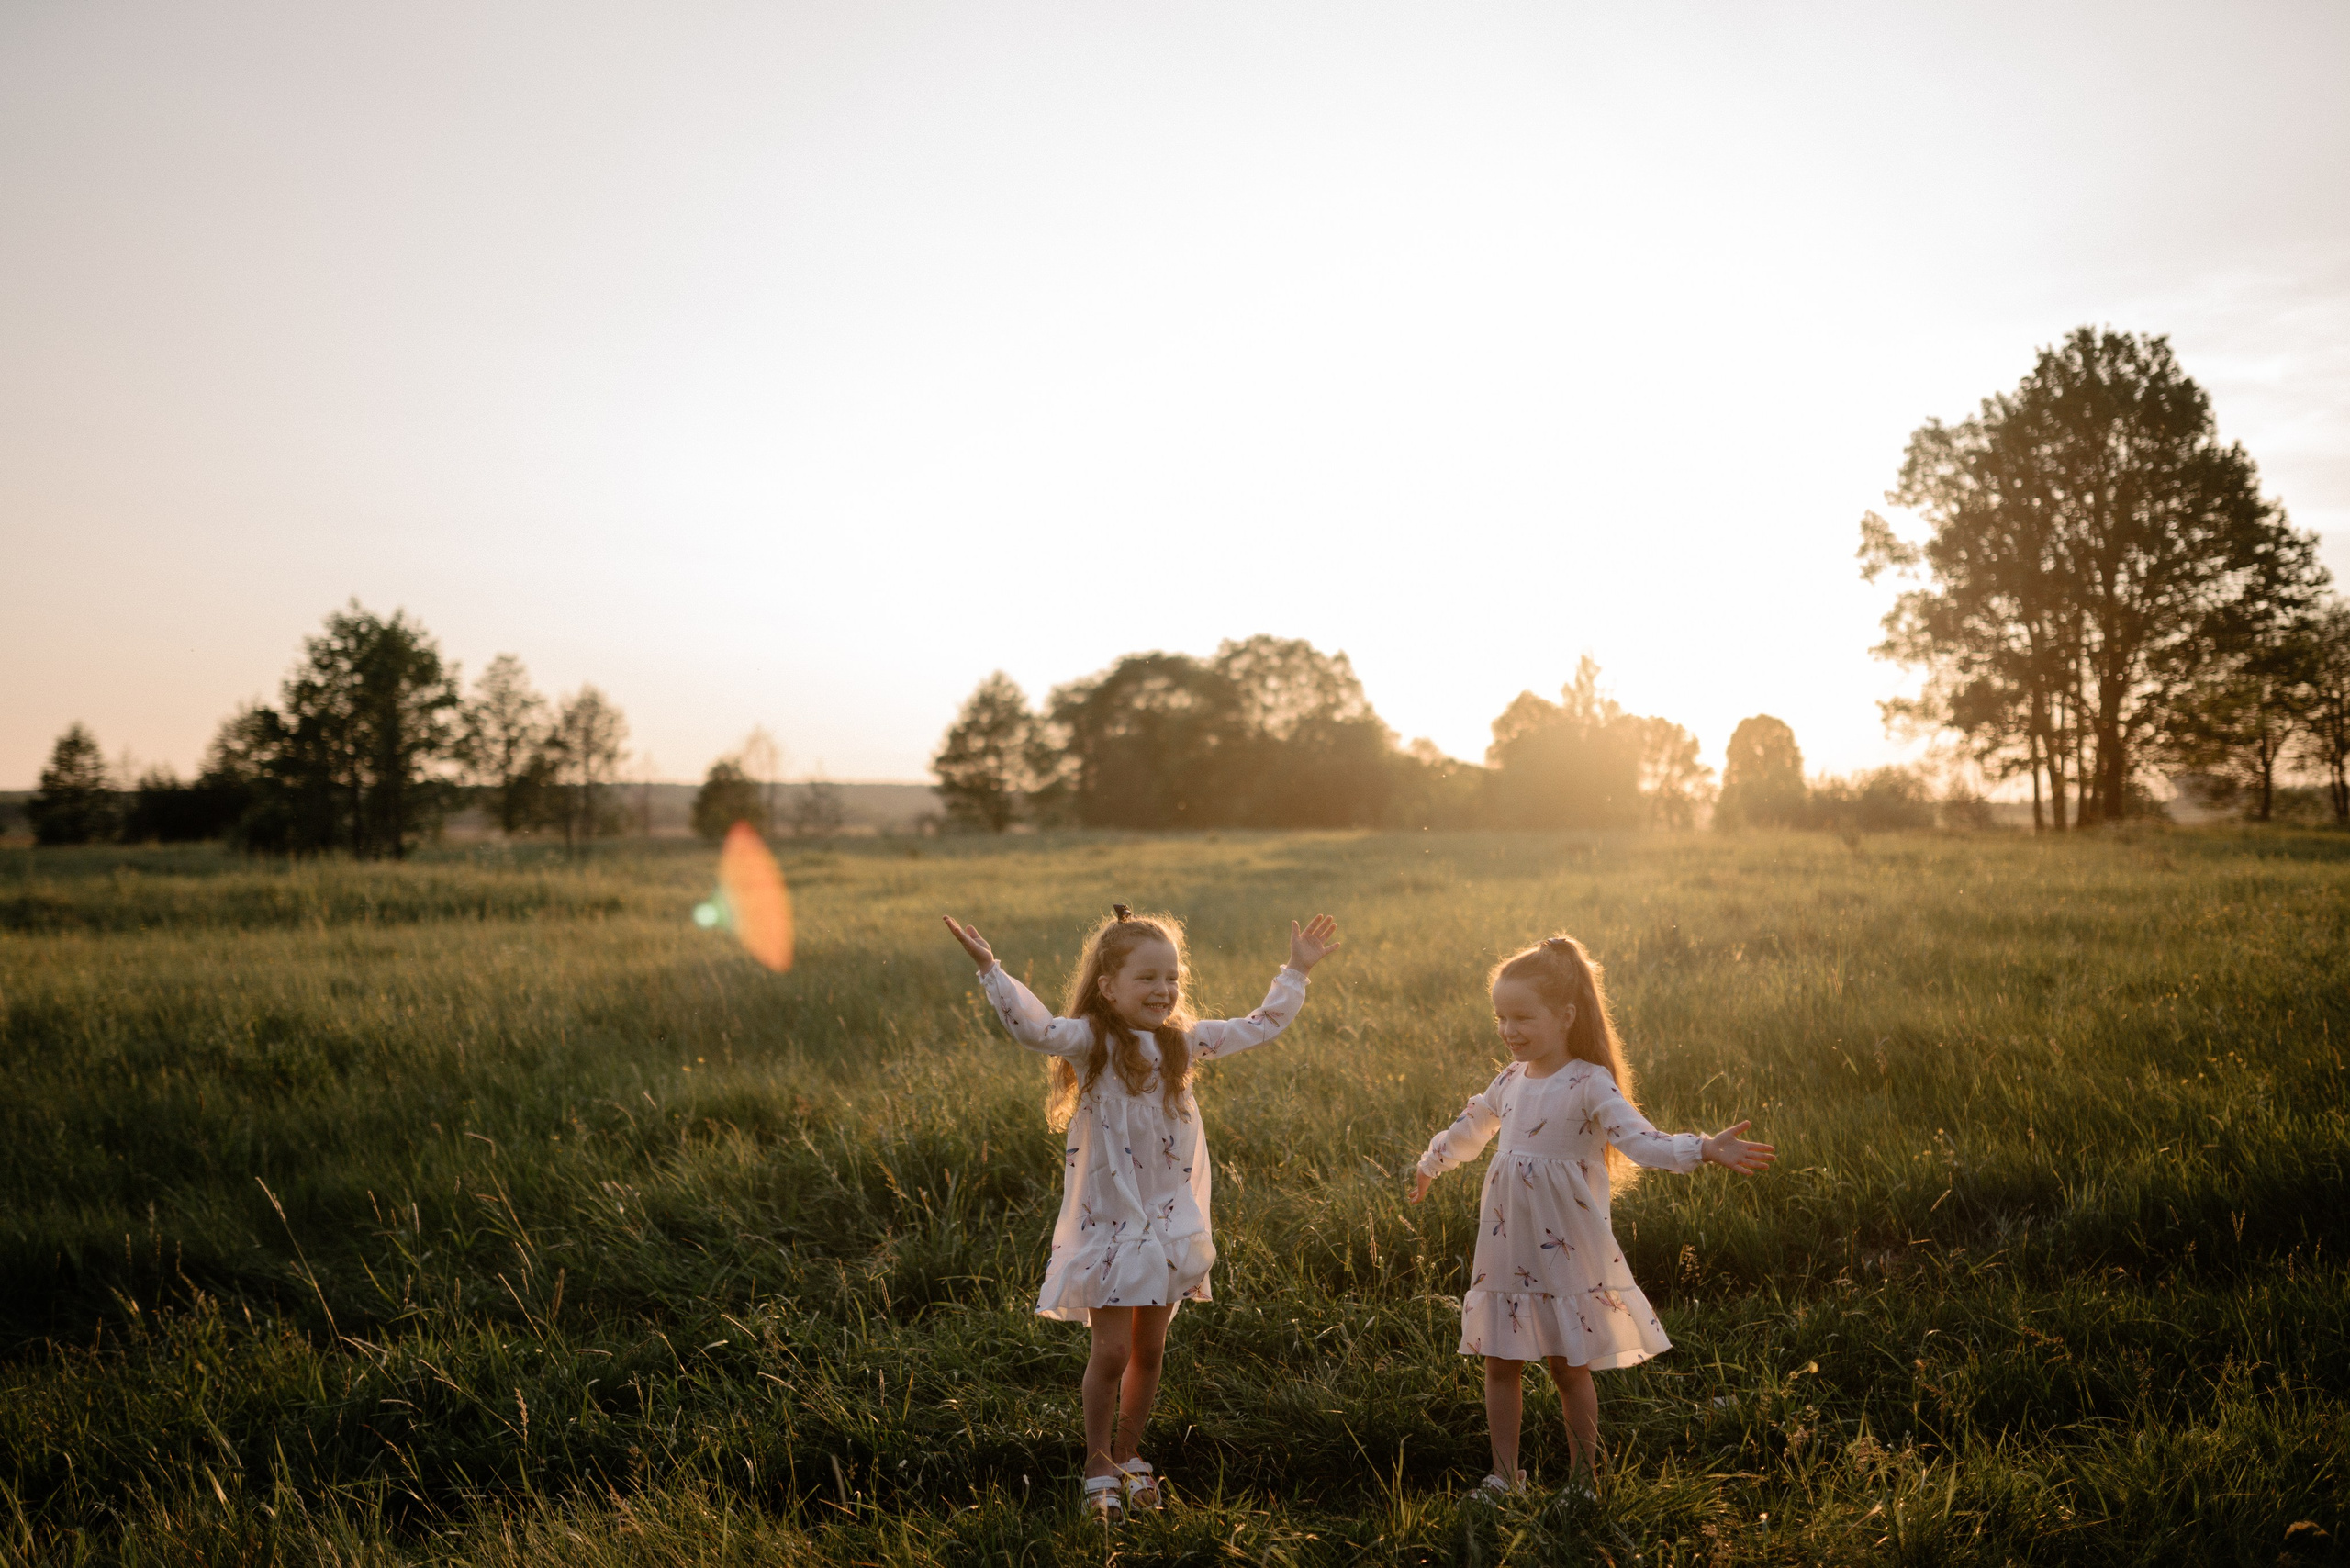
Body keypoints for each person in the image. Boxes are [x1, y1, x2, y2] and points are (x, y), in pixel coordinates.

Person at [943, 903, 1342, 1521]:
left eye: (1172, 978)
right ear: (1108, 987)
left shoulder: (1184, 1041)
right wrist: (991, 969)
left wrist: (1296, 970)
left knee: (1150, 1351)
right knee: (1111, 1351)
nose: (1163, 990)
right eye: (1147, 978)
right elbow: (1036, 1030)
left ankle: (1129, 1454)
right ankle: (1096, 1459)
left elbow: (1258, 1025)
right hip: (1112, 1222)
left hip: (1170, 1222)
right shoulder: (1093, 1040)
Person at [1408, 934, 1774, 1496]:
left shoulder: (1588, 1082)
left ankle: (1584, 1481)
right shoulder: (1509, 1080)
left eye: (1523, 1017)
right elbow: (1475, 1125)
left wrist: (1702, 1147)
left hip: (1564, 1244)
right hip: (1509, 1240)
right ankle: (1506, 1476)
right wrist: (1434, 1161)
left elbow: (1642, 1141)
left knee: (1565, 1365)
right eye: (1501, 1018)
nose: (1509, 1030)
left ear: (1566, 1015)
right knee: (1500, 1359)